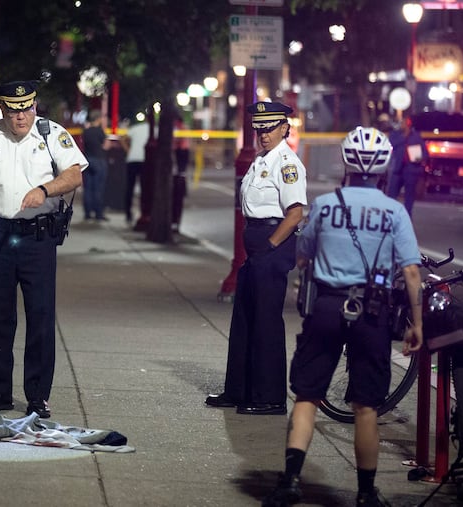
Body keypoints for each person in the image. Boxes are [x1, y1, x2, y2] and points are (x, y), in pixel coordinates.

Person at [262, 127, 423, 507]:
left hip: (329, 308)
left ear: (347, 163)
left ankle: (289, 482)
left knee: (307, 396)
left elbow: (304, 254)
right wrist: (416, 323)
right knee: (367, 406)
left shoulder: (326, 205)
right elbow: (412, 272)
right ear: (384, 166)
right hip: (372, 312)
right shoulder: (395, 211)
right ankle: (366, 494)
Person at [0, 80, 87, 419]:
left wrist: (44, 190)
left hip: (37, 238)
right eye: (14, 111)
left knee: (40, 317)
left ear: (35, 106)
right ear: (3, 110)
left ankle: (37, 397)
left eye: (27, 109)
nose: (21, 117)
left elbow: (74, 176)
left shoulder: (50, 134)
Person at [206, 101, 307, 415]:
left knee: (265, 323)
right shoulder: (263, 160)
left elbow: (295, 214)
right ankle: (239, 390)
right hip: (258, 248)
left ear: (284, 128)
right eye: (259, 129)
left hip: (271, 247)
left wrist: (270, 246)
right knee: (245, 320)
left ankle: (269, 397)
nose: (263, 134)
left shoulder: (287, 163)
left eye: (270, 128)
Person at [386, 116, 429, 218]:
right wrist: (404, 137)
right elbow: (392, 144)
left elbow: (425, 153)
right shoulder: (395, 135)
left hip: (411, 170)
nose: (402, 125)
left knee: (409, 196)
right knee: (392, 194)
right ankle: (389, 216)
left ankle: (406, 217)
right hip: (397, 169)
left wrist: (419, 158)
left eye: (404, 123)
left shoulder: (416, 137)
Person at [121, 118, 151, 224]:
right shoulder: (154, 129)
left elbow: (123, 139)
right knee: (145, 188)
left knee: (130, 187)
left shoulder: (136, 128)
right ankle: (144, 213)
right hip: (145, 160)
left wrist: (128, 150)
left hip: (132, 159)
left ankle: (128, 214)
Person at [82, 110, 109, 221]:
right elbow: (106, 146)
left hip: (88, 160)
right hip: (99, 160)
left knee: (88, 188)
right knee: (98, 188)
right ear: (98, 119)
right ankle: (98, 213)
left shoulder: (86, 131)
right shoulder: (100, 131)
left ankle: (87, 213)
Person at [172, 118, 190, 232]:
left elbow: (179, 141)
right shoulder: (183, 128)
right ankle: (175, 222)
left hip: (181, 151)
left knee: (181, 173)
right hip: (182, 151)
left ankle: (175, 222)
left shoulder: (181, 128)